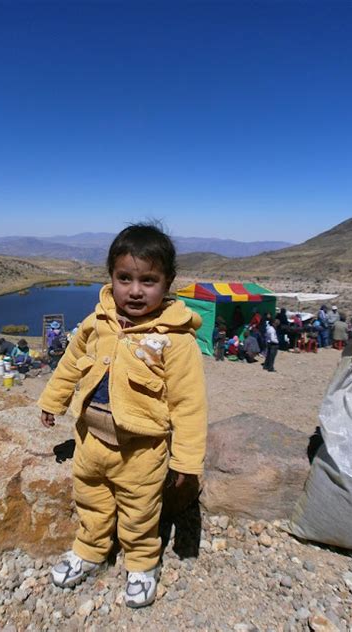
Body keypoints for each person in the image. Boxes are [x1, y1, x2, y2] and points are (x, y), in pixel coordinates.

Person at [38, 223, 207, 608]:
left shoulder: (175, 340)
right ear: (111, 277)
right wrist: (54, 400)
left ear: (168, 284)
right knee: (91, 500)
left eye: (148, 280)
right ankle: (90, 549)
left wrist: (186, 458)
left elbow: (188, 402)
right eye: (124, 278)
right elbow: (71, 362)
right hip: (90, 440)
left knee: (140, 510)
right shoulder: (97, 322)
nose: (134, 290)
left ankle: (142, 563)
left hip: (141, 451)